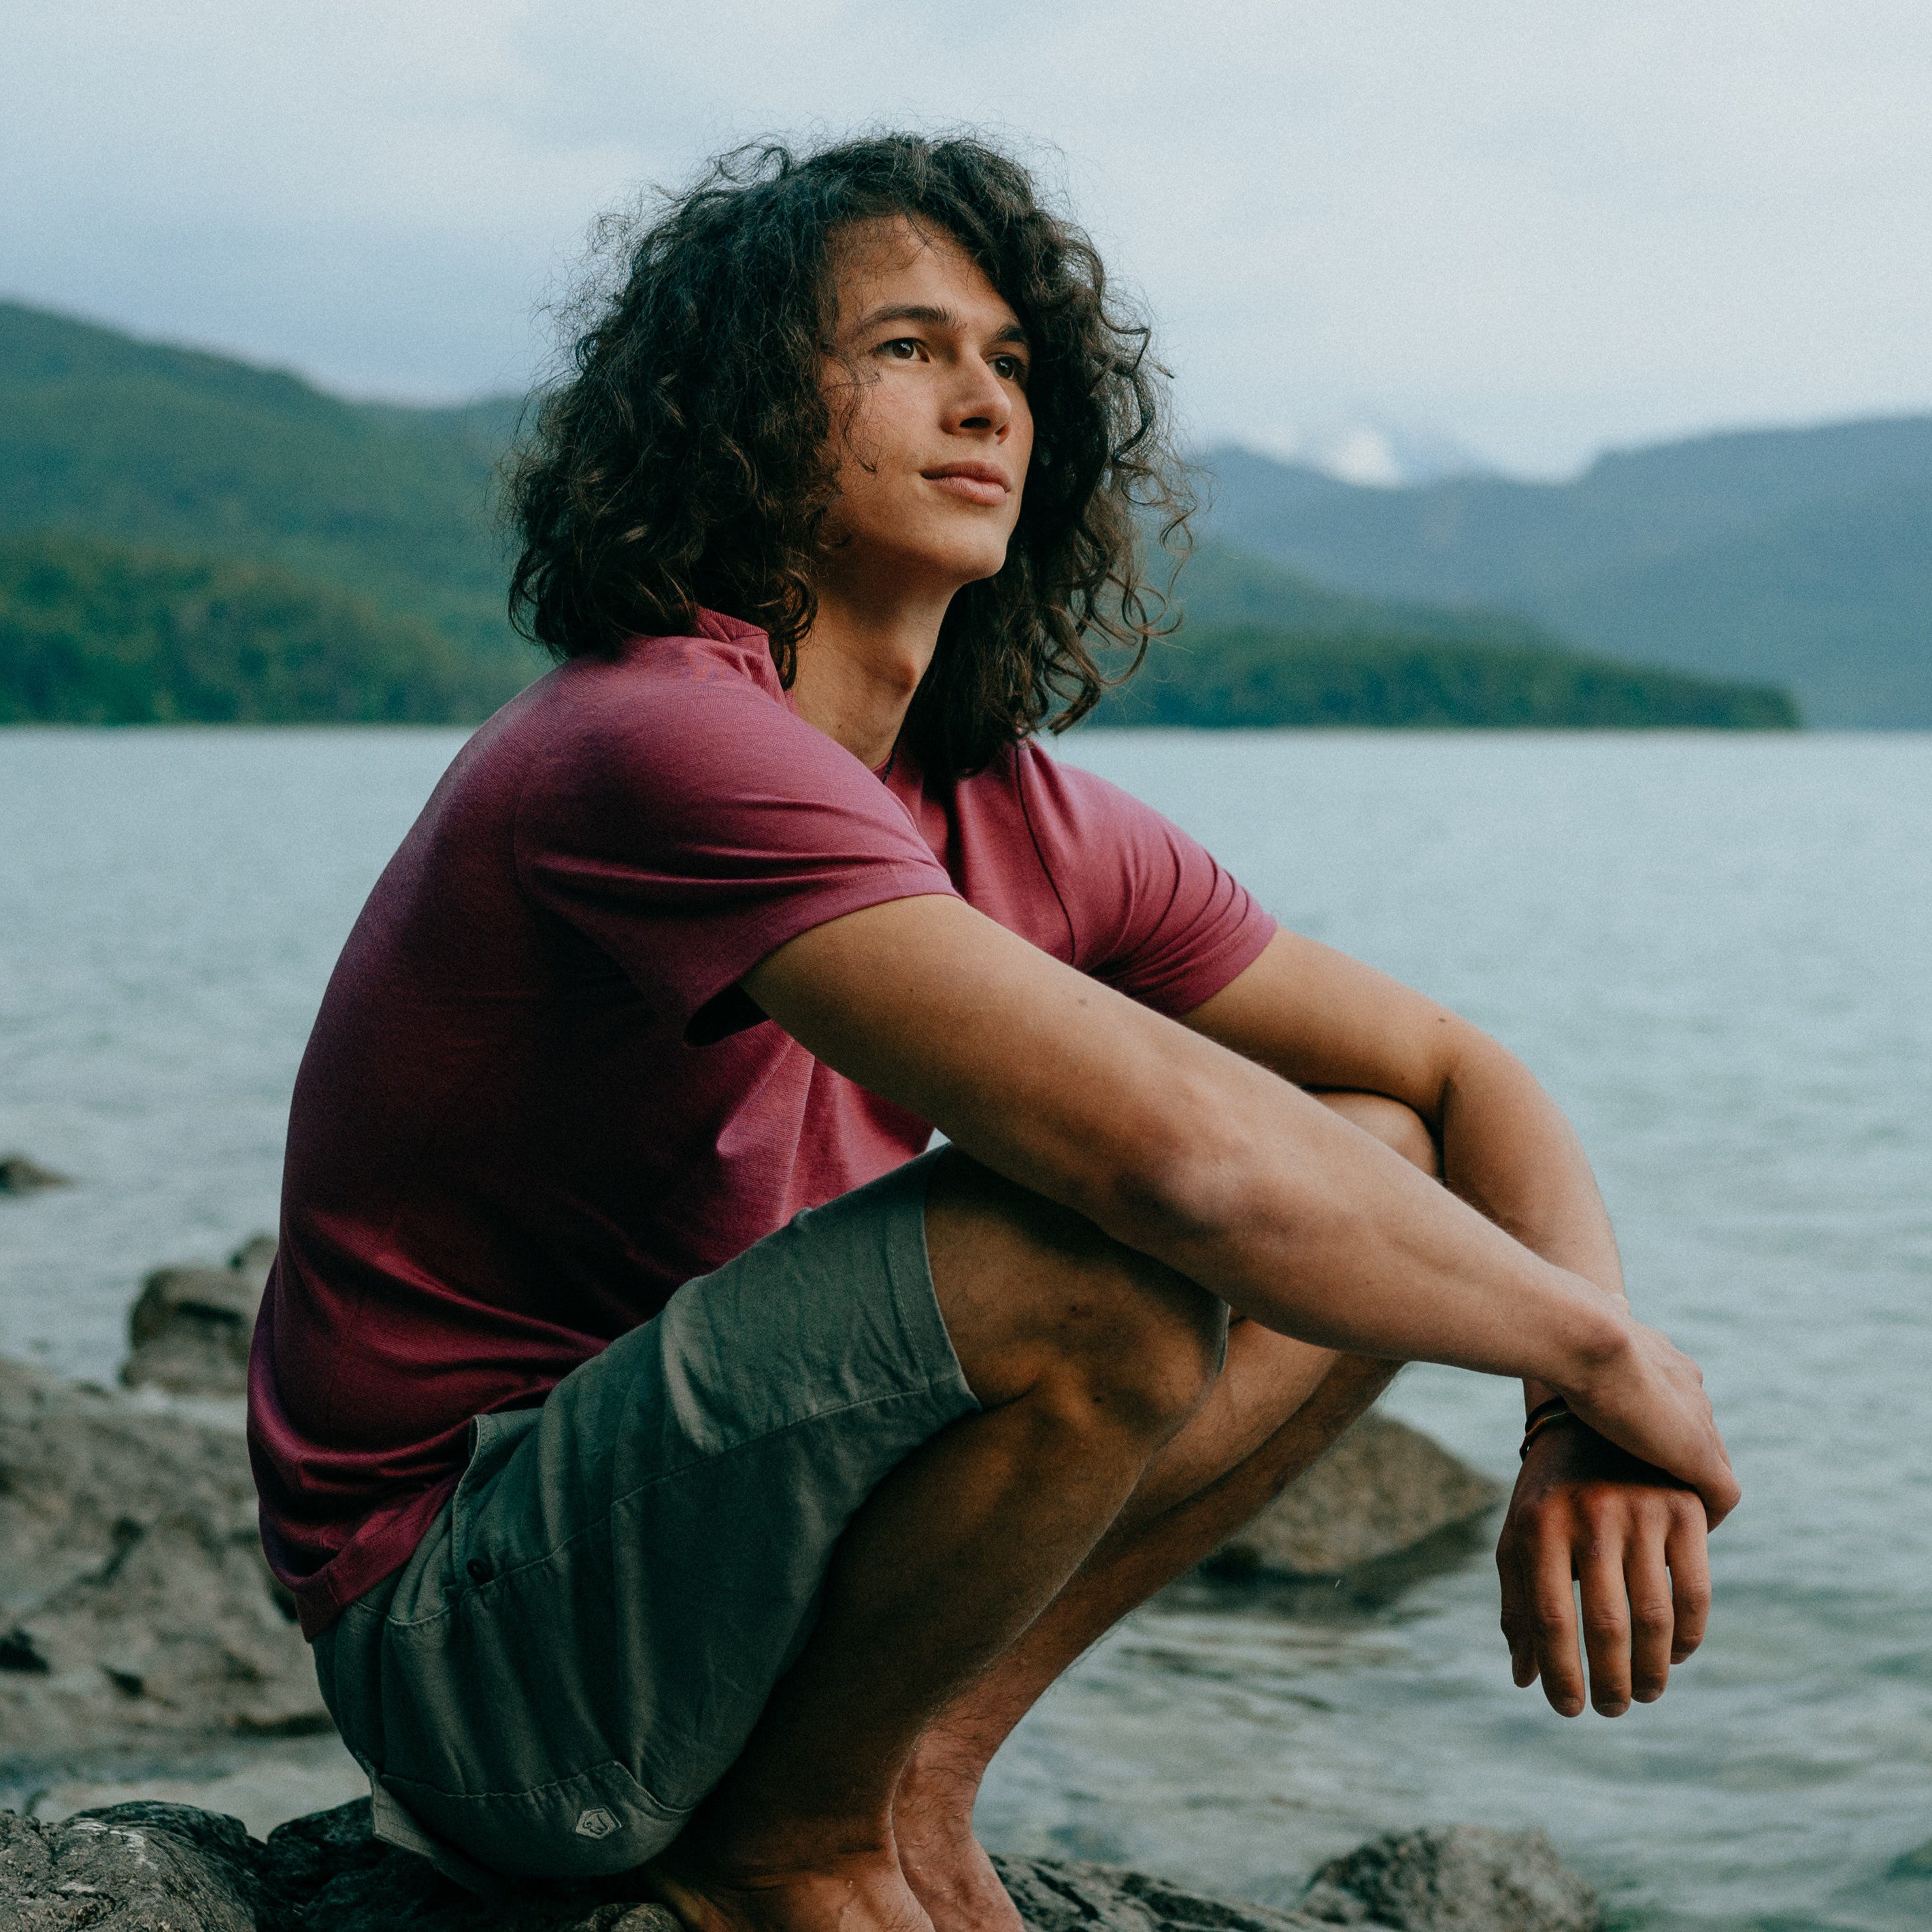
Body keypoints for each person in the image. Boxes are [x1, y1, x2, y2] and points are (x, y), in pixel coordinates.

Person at [246, 133, 1738, 1932]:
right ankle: (782, 1849)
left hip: (707, 1565)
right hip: (478, 1647)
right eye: (904, 346)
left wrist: (1577, 1404)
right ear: (740, 411)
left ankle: (908, 1775)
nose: (981, 399)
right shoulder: (654, 743)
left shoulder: (1017, 812)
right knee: (1104, 1257)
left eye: (1016, 365)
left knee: (1380, 1162)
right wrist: (1599, 1352)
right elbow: (1173, 1158)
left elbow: (1454, 1077)